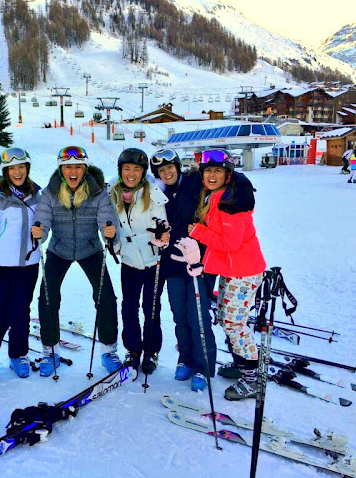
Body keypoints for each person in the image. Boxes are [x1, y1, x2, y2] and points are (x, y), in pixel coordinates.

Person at [31, 146, 121, 377]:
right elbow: (43, 220)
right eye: (68, 167)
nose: (73, 172)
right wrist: (39, 233)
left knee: (106, 296)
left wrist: (109, 232)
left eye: (78, 167)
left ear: (85, 170)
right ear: (61, 170)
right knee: (48, 297)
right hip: (59, 249)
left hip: (90, 249)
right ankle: (51, 351)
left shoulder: (98, 192)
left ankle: (109, 350)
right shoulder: (49, 193)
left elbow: (106, 219)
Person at [187, 149, 266, 401]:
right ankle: (242, 363)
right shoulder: (219, 196)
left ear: (228, 175)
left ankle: (252, 380)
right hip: (232, 270)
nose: (212, 175)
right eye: (208, 170)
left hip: (243, 271)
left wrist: (198, 232)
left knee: (234, 325)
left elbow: (231, 243)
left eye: (218, 171)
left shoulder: (231, 204)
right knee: (225, 319)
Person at [150, 149, 217, 391]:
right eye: (161, 170)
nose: (166, 172)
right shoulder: (157, 194)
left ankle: (203, 366)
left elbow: (224, 181)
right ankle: (185, 358)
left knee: (197, 315)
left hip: (199, 260)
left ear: (178, 167)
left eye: (170, 167)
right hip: (172, 261)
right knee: (179, 314)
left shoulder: (195, 183)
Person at [0, 148, 42, 386]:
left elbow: (43, 228)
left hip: (29, 265)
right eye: (12, 168)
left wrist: (41, 234)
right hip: (2, 267)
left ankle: (18, 354)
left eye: (21, 167)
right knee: (2, 315)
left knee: (22, 312)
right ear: (5, 171)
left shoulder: (37, 195)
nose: (17, 172)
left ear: (27, 168)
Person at [108, 148, 170, 374]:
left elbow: (163, 224)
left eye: (136, 169)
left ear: (143, 172)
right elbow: (107, 222)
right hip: (129, 259)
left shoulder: (152, 193)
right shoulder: (112, 193)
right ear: (120, 170)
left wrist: (163, 236)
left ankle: (151, 351)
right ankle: (133, 349)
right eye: (127, 169)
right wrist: (110, 238)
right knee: (129, 307)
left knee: (151, 307)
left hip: (152, 259)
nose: (131, 174)